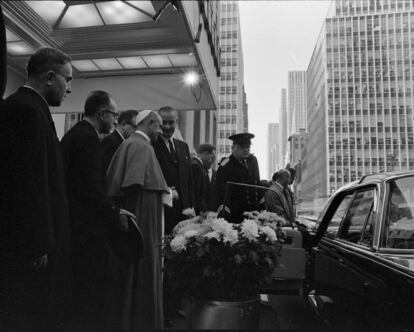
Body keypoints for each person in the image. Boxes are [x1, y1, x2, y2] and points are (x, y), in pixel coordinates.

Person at [0, 47, 73, 331]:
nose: (69, 89)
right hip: (29, 243)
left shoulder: (31, 108)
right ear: (51, 77)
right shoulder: (24, 110)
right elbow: (26, 182)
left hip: (35, 238)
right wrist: (38, 241)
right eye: (68, 79)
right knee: (26, 312)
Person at [60, 90, 132, 330]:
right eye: (113, 115)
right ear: (102, 114)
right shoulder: (87, 139)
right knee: (88, 293)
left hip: (77, 225)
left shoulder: (79, 134)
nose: (114, 120)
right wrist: (115, 213)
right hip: (85, 230)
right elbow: (90, 188)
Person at [105, 110, 169, 330]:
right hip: (142, 216)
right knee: (143, 270)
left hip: (140, 212)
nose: (161, 132)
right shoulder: (141, 146)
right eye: (159, 126)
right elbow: (133, 185)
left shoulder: (132, 144)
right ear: (150, 124)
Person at [153, 106, 194, 234]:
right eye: (164, 122)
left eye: (171, 122)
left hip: (185, 213)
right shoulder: (151, 145)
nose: (167, 126)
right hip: (163, 211)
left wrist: (192, 207)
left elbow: (189, 180)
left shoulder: (183, 146)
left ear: (176, 122)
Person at [216, 133, 261, 223]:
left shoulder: (252, 161)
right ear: (233, 148)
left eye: (247, 147)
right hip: (236, 216)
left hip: (253, 214)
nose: (245, 150)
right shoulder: (226, 165)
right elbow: (222, 193)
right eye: (241, 147)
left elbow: (257, 186)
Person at [191, 144, 215, 214]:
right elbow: (198, 191)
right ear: (206, 154)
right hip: (198, 210)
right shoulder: (196, 166)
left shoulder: (199, 166)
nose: (211, 161)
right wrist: (202, 210)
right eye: (211, 158)